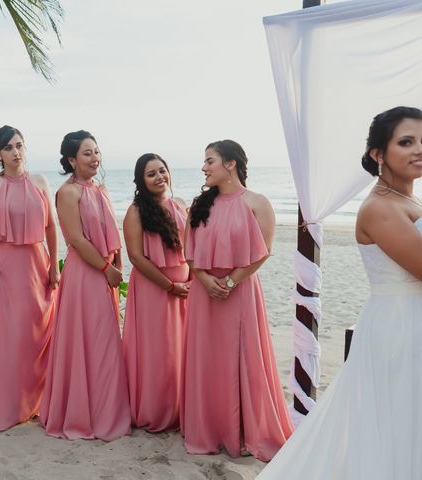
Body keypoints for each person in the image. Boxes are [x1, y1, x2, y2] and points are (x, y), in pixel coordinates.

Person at [257, 106, 422, 479]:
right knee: (398, 424)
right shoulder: (380, 207)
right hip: (401, 326)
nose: (418, 149)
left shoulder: (408, 201)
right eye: (406, 141)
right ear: (379, 154)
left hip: (409, 319)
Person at [181, 139, 293, 461]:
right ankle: (209, 429)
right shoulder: (198, 206)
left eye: (209, 161)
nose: (204, 167)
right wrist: (204, 280)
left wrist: (229, 282)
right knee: (207, 359)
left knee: (243, 357)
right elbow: (190, 253)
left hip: (240, 291)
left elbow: (263, 253)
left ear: (230, 164)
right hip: (204, 293)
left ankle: (243, 431)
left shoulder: (257, 203)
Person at [39, 130, 131, 441]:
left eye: (96, 152)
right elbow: (76, 240)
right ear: (71, 160)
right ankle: (82, 413)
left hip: (105, 271)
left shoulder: (98, 189)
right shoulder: (68, 193)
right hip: (85, 274)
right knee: (89, 341)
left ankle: (106, 408)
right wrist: (106, 268)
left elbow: (110, 231)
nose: (94, 158)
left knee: (105, 342)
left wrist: (116, 263)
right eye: (87, 154)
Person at [0, 125, 59, 431]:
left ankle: (36, 403)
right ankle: (9, 407)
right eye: (9, 147)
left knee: (37, 335)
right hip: (5, 267)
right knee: (10, 338)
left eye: (20, 145)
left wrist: (55, 265)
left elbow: (51, 227)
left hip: (38, 265)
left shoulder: (40, 181)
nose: (16, 152)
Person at [122, 153, 190, 432]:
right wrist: (170, 286)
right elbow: (136, 258)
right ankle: (154, 410)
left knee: (181, 350)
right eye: (151, 174)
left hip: (186, 290)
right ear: (141, 180)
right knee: (157, 352)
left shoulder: (181, 206)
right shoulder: (136, 212)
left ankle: (179, 408)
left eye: (162, 170)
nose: (159, 177)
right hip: (154, 290)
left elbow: (193, 249)